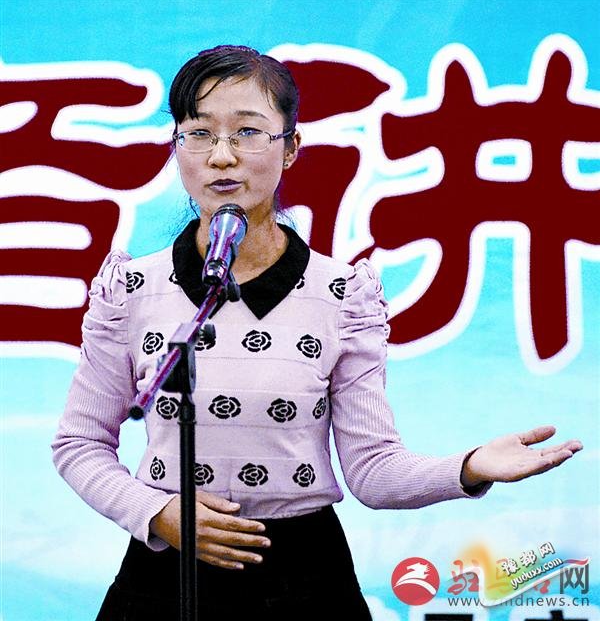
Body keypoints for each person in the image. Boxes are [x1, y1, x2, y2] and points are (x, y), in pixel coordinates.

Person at [52, 45, 583, 621]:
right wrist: (154, 513)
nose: (222, 157)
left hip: (304, 579)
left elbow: (374, 472)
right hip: (165, 572)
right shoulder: (133, 289)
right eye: (199, 134)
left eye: (248, 132)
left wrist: (470, 466)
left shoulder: (340, 295)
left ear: (290, 148)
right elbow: (80, 443)